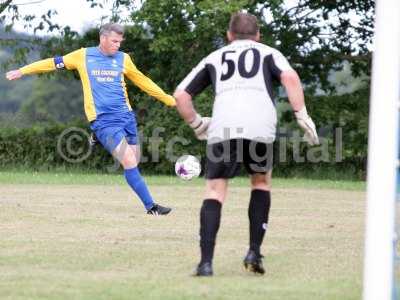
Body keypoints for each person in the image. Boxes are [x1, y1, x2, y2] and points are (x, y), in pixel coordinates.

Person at [174, 12, 319, 276]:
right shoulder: (268, 52)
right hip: (260, 126)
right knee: (261, 183)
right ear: (258, 35)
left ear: (229, 35)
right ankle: (254, 251)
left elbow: (181, 95)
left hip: (224, 127)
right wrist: (301, 115)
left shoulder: (214, 57)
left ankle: (206, 263)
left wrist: (196, 125)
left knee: (215, 192)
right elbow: (290, 78)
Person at [6, 23, 175, 216]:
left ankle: (96, 136)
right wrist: (22, 71)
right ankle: (151, 207)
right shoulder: (83, 56)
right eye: (114, 41)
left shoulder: (123, 58)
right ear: (103, 39)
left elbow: (142, 80)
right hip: (103, 120)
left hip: (126, 117)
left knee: (134, 161)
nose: (118, 45)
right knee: (128, 160)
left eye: (120, 42)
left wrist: (167, 99)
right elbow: (53, 62)